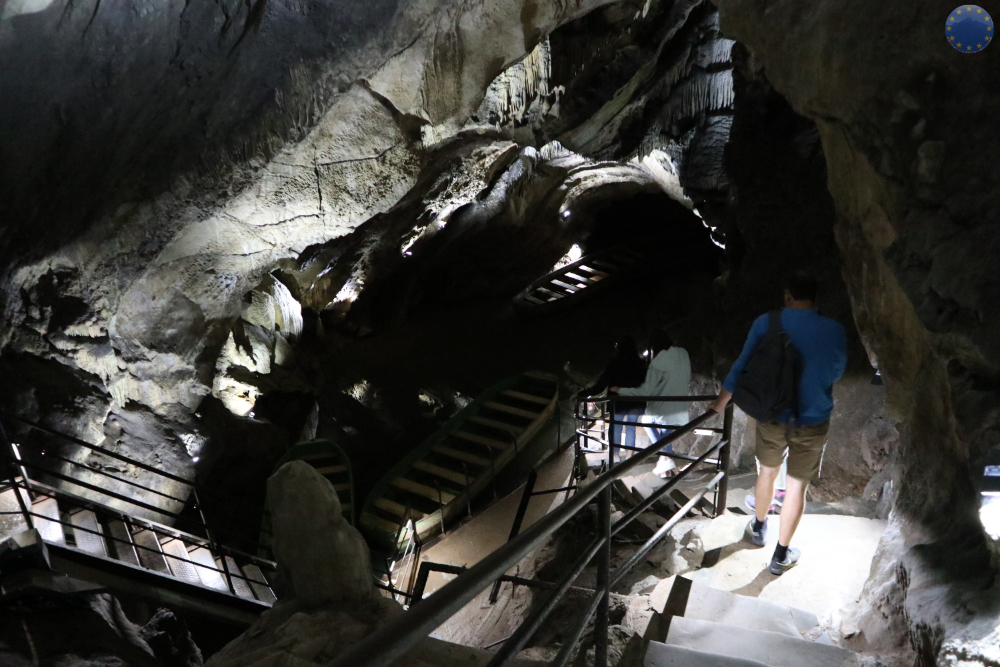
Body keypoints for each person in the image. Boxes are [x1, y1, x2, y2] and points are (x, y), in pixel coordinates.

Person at [711, 271, 847, 575]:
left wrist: (720, 403)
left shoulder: (767, 322)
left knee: (768, 472)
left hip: (772, 415)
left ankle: (759, 528)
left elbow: (741, 366)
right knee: (797, 486)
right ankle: (780, 555)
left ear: (787, 295)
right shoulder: (834, 329)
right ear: (814, 297)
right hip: (812, 418)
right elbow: (837, 371)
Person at [612, 329, 691, 478]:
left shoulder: (658, 361)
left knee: (647, 421)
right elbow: (686, 376)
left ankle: (665, 458)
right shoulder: (683, 353)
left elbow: (645, 390)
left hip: (664, 405)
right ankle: (666, 466)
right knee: (665, 431)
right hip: (681, 403)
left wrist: (621, 390)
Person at [578, 336, 647, 462]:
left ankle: (615, 456)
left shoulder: (614, 364)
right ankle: (629, 457)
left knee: (616, 427)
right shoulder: (641, 364)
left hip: (618, 402)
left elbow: (600, 386)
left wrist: (582, 393)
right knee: (631, 428)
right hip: (636, 402)